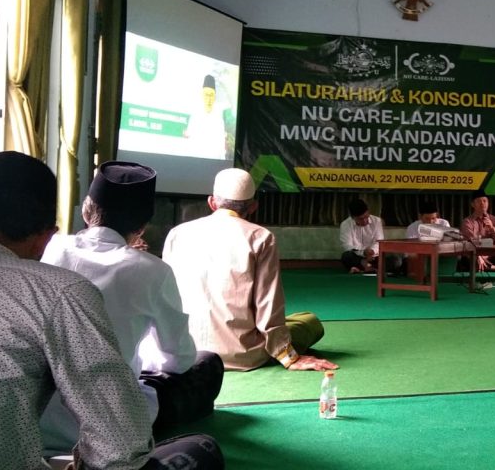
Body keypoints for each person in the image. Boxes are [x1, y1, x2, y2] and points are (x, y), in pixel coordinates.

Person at [0, 151, 223, 469]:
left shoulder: (53, 254)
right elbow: (121, 443)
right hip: (65, 439)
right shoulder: (64, 289)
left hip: (33, 430)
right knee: (202, 435)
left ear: (87, 210)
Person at [39, 161, 223, 454]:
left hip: (38, 420)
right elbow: (178, 360)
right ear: (141, 226)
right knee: (207, 364)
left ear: (86, 210)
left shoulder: (49, 247)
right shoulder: (152, 271)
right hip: (109, 429)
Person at [162, 168, 336, 371]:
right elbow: (268, 303)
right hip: (241, 354)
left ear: (212, 202)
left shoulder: (177, 234)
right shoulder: (260, 237)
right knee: (308, 320)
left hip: (183, 350)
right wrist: (289, 357)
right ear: (253, 207)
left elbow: (165, 294)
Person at [339, 197, 400, 273]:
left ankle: (364, 268)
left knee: (395, 259)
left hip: (374, 256)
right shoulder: (345, 224)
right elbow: (347, 246)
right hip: (358, 258)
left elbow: (379, 242)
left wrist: (371, 251)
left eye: (366, 217)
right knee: (346, 256)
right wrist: (364, 253)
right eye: (361, 219)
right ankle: (372, 268)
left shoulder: (377, 221)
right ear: (353, 217)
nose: (365, 221)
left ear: (368, 212)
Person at [460, 190, 495, 272]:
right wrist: (479, 256)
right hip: (475, 253)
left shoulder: (494, 219)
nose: (482, 204)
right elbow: (471, 242)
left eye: (485, 201)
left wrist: (492, 228)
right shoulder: (467, 222)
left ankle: (487, 267)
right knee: (474, 259)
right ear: (472, 204)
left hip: (491, 253)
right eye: (479, 201)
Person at [184, 74, 232, 160]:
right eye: (206, 95)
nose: (209, 99)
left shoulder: (219, 112)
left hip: (215, 159)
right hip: (196, 158)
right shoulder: (195, 112)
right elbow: (189, 137)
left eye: (211, 95)